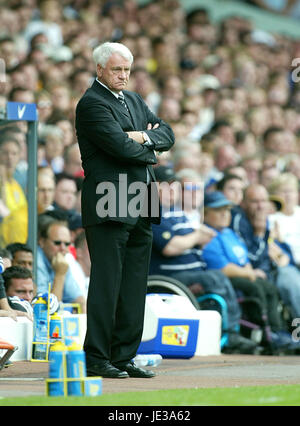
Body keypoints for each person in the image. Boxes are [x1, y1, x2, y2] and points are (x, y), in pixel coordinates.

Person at [75, 42, 174, 379]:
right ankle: (98, 357)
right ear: (100, 68)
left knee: (133, 283)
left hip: (141, 197)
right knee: (107, 281)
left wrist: (142, 139)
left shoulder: (132, 99)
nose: (123, 76)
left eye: (127, 70)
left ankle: (124, 356)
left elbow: (168, 132)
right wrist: (148, 146)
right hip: (109, 198)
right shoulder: (91, 103)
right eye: (117, 69)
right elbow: (120, 148)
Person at [150, 167, 257, 354]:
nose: (171, 190)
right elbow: (170, 247)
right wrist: (197, 235)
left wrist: (199, 239)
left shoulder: (177, 213)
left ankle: (234, 331)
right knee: (215, 278)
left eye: (173, 185)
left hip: (189, 272)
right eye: (165, 186)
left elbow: (187, 242)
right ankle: (230, 335)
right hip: (168, 276)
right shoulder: (152, 211)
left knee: (219, 277)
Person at [202, 191, 296, 352]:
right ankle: (265, 334)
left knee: (269, 288)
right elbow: (223, 268)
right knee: (255, 288)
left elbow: (244, 259)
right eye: (218, 210)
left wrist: (249, 270)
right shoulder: (208, 235)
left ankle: (277, 331)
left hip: (243, 274)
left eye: (227, 209)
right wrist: (249, 273)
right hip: (225, 279)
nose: (225, 214)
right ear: (205, 213)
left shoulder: (230, 233)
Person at [231, 183, 300, 330]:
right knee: (291, 282)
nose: (261, 206)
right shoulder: (238, 221)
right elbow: (250, 258)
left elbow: (281, 251)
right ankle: (278, 333)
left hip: (275, 269)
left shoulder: (265, 219)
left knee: (291, 277)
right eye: (255, 201)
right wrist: (260, 234)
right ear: (243, 203)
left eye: (263, 201)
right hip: (256, 273)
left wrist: (283, 254)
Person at [37, 219, 86, 313]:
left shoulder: (61, 262)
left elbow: (80, 301)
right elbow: (48, 310)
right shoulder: (36, 260)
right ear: (42, 242)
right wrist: (60, 275)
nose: (63, 248)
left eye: (67, 244)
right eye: (57, 243)